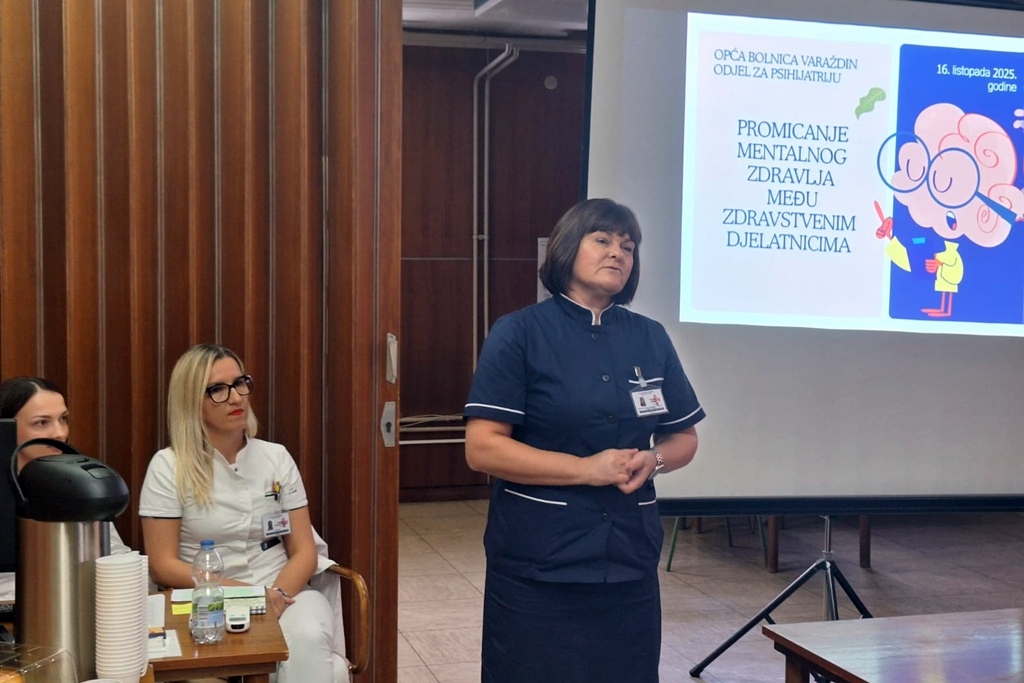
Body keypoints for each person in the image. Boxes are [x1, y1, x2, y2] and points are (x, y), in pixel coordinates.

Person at [463, 198, 706, 682]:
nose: (618, 252)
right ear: (567, 248)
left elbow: (683, 436)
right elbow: (482, 447)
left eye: (628, 246)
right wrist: (585, 469)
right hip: (539, 563)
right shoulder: (520, 333)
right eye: (603, 240)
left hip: (628, 559)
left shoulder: (650, 337)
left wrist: (654, 460)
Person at [139, 344, 344, 682]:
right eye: (217, 389)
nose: (235, 397)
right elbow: (163, 564)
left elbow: (304, 551)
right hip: (206, 600)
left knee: (308, 639)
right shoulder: (168, 466)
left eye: (240, 383)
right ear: (191, 401)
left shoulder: (275, 457)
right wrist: (249, 596)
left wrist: (276, 597)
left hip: (285, 590)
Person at [0, 376, 131, 602]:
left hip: (77, 605)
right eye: (42, 423)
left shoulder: (78, 484)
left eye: (63, 419)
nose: (59, 433)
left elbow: (118, 558)